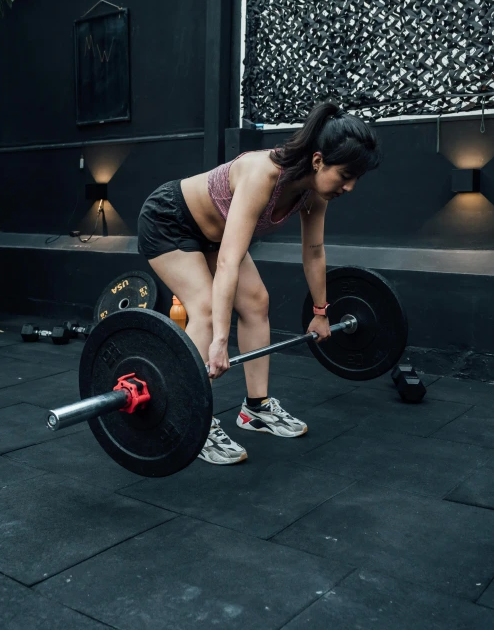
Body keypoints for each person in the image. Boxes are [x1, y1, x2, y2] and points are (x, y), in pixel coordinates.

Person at [138, 101, 380, 465]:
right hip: (169, 221)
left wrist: (320, 312)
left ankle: (255, 409)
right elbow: (228, 261)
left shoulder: (315, 194)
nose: (349, 187)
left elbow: (313, 251)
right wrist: (220, 341)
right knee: (203, 309)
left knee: (256, 302)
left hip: (214, 236)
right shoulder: (262, 174)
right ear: (318, 161)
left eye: (355, 179)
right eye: (345, 175)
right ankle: (189, 418)